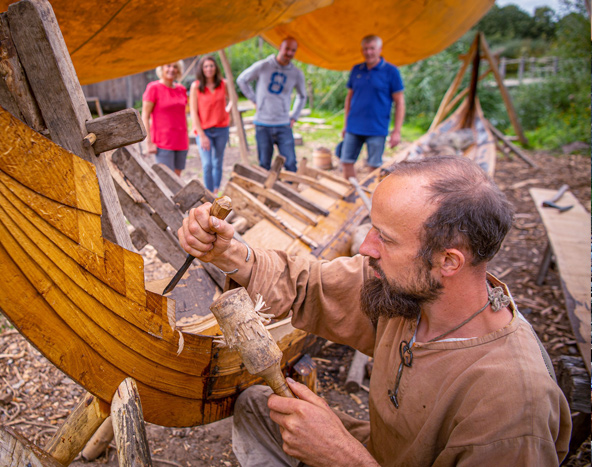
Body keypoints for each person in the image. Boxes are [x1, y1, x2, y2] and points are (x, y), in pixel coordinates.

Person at [177, 155, 571, 466]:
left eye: (385, 238)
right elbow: (308, 284)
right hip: (378, 455)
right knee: (256, 407)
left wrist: (343, 459)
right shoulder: (407, 292)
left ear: (449, 261)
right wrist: (228, 252)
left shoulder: (512, 407)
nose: (366, 247)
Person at [236, 37, 307, 172]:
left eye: (293, 50)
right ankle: (266, 191)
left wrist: (294, 116)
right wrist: (255, 99)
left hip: (283, 124)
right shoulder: (264, 66)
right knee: (264, 164)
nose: (289, 53)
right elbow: (242, 80)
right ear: (280, 47)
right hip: (263, 123)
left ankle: (290, 190)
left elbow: (302, 96)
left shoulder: (296, 73)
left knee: (290, 162)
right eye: (287, 49)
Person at [341, 35, 406, 180]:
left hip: (377, 129)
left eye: (372, 48)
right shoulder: (356, 70)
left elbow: (400, 102)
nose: (368, 52)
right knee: (346, 161)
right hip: (354, 127)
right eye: (365, 49)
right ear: (362, 50)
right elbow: (349, 97)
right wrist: (346, 124)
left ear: (380, 50)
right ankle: (351, 196)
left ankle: (370, 199)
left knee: (374, 166)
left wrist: (397, 131)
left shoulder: (391, 71)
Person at [190, 56, 231, 194]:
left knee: (217, 162)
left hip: (221, 129)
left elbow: (233, 99)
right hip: (204, 130)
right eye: (206, 66)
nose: (209, 69)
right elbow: (193, 112)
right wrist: (201, 135)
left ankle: (215, 191)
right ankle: (208, 193)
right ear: (202, 69)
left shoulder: (223, 84)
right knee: (207, 164)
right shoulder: (196, 86)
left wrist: (228, 111)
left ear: (216, 67)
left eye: (211, 66)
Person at [142, 61, 188, 176]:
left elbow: (183, 115)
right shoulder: (153, 88)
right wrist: (149, 142)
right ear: (162, 68)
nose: (171, 69)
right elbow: (145, 115)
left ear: (178, 70)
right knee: (166, 178)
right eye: (168, 66)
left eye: (175, 67)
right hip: (163, 142)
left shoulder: (181, 89)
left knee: (177, 177)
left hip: (181, 140)